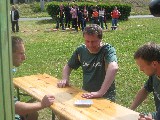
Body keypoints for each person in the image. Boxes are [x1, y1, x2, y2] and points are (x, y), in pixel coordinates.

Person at [57, 24, 118, 102]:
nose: (90, 45)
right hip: (86, 94)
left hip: (106, 96)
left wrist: (100, 92)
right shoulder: (81, 50)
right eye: (87, 41)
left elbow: (113, 68)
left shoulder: (107, 50)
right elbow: (68, 66)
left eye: (93, 41)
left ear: (100, 39)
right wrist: (65, 79)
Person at [12, 36, 55, 120]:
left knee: (32, 114)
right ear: (9, 53)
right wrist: (42, 104)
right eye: (21, 53)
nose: (24, 58)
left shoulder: (7, 69)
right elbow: (15, 108)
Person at [130, 42, 160, 120]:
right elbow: (145, 90)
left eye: (142, 66)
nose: (140, 69)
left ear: (154, 64)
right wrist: (130, 110)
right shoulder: (154, 74)